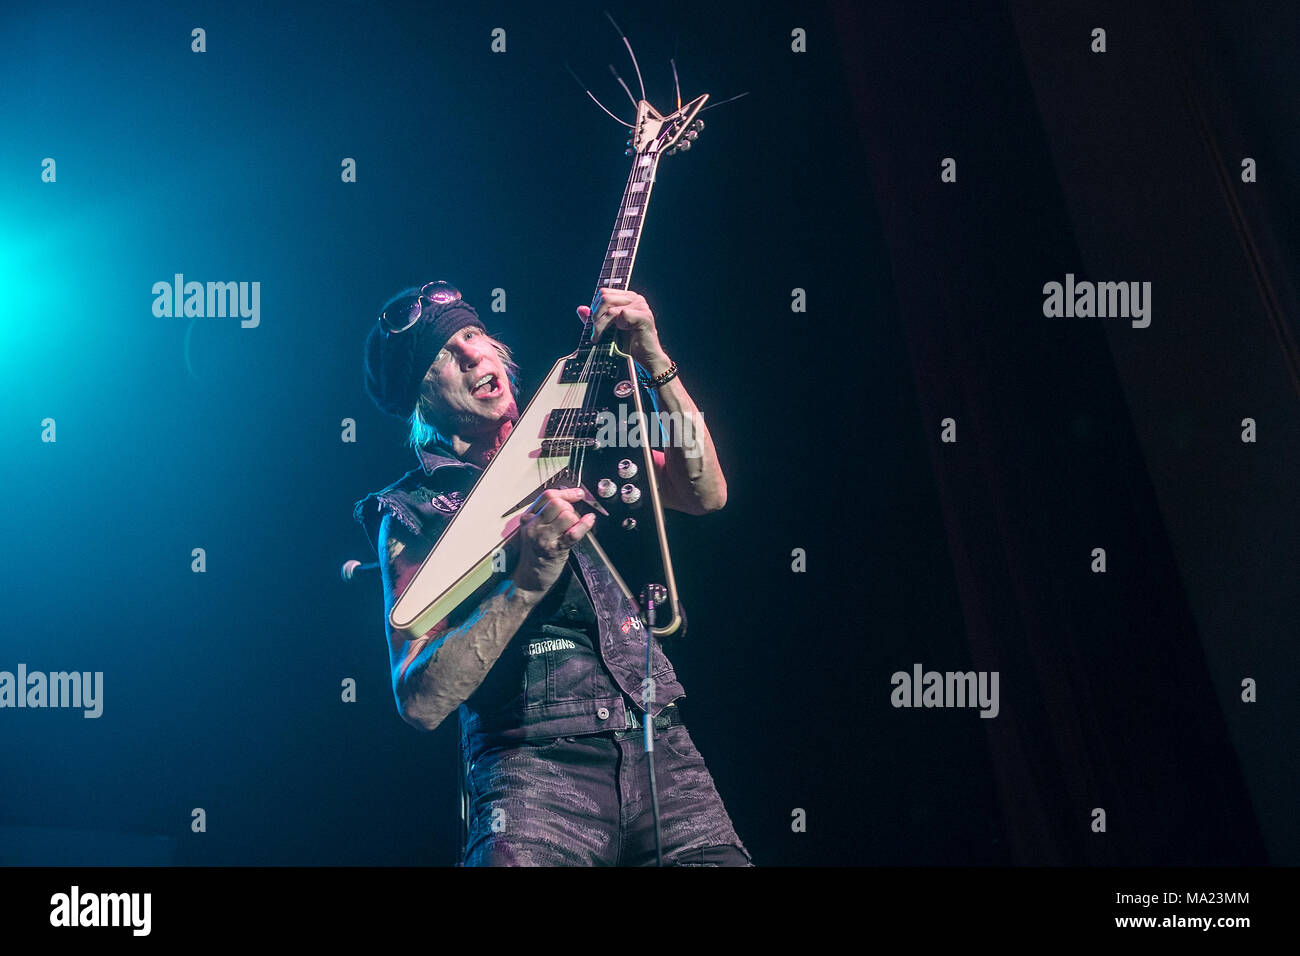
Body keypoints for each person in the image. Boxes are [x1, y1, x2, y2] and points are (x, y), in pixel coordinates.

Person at [353, 280, 752, 866]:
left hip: (658, 740)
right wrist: (524, 583)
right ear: (421, 400)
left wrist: (655, 361)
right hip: (532, 769)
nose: (473, 355)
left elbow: (706, 491)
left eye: (474, 335)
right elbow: (419, 699)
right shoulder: (411, 511)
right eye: (445, 354)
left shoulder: (575, 438)